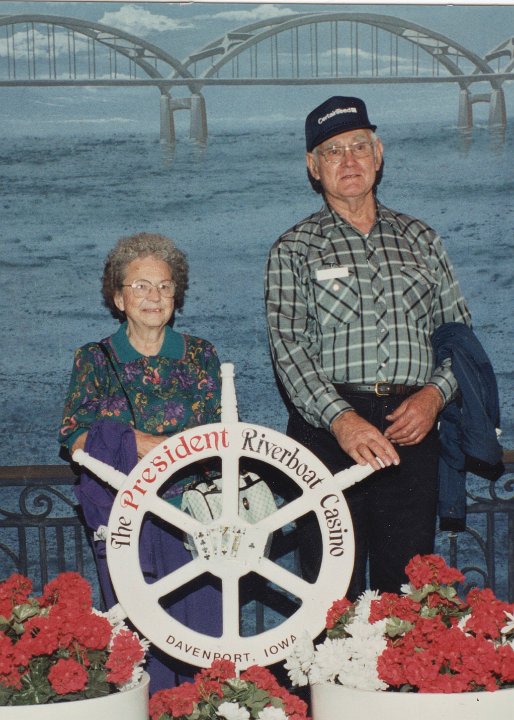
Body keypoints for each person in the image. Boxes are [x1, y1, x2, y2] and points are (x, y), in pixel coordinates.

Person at [265, 96, 472, 601]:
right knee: (328, 591)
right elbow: (288, 347)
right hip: (326, 432)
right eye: (333, 152)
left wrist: (434, 397)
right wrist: (341, 419)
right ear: (314, 168)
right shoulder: (293, 249)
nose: (349, 160)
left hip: (413, 426)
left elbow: (461, 337)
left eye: (359, 146)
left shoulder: (422, 238)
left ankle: (400, 681)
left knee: (405, 592)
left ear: (378, 154)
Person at [59, 231, 222, 692]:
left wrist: (156, 448)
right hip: (124, 519)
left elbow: (219, 434)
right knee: (137, 643)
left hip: (194, 519)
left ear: (177, 295)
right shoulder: (94, 359)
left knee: (201, 638)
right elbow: (73, 435)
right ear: (118, 296)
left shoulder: (201, 355)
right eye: (141, 285)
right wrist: (140, 441)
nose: (154, 296)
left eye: (165, 286)